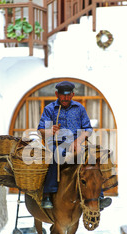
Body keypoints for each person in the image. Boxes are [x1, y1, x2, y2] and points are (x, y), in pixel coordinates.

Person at [37, 81, 112, 210]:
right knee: (55, 156)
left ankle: (99, 196)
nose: (65, 98)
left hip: (77, 143)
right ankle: (48, 195)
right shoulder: (49, 109)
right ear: (57, 94)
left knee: (93, 158)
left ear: (72, 94)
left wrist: (78, 140)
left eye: (68, 95)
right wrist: (50, 131)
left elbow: (88, 129)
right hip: (57, 144)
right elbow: (41, 130)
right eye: (62, 95)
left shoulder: (80, 108)